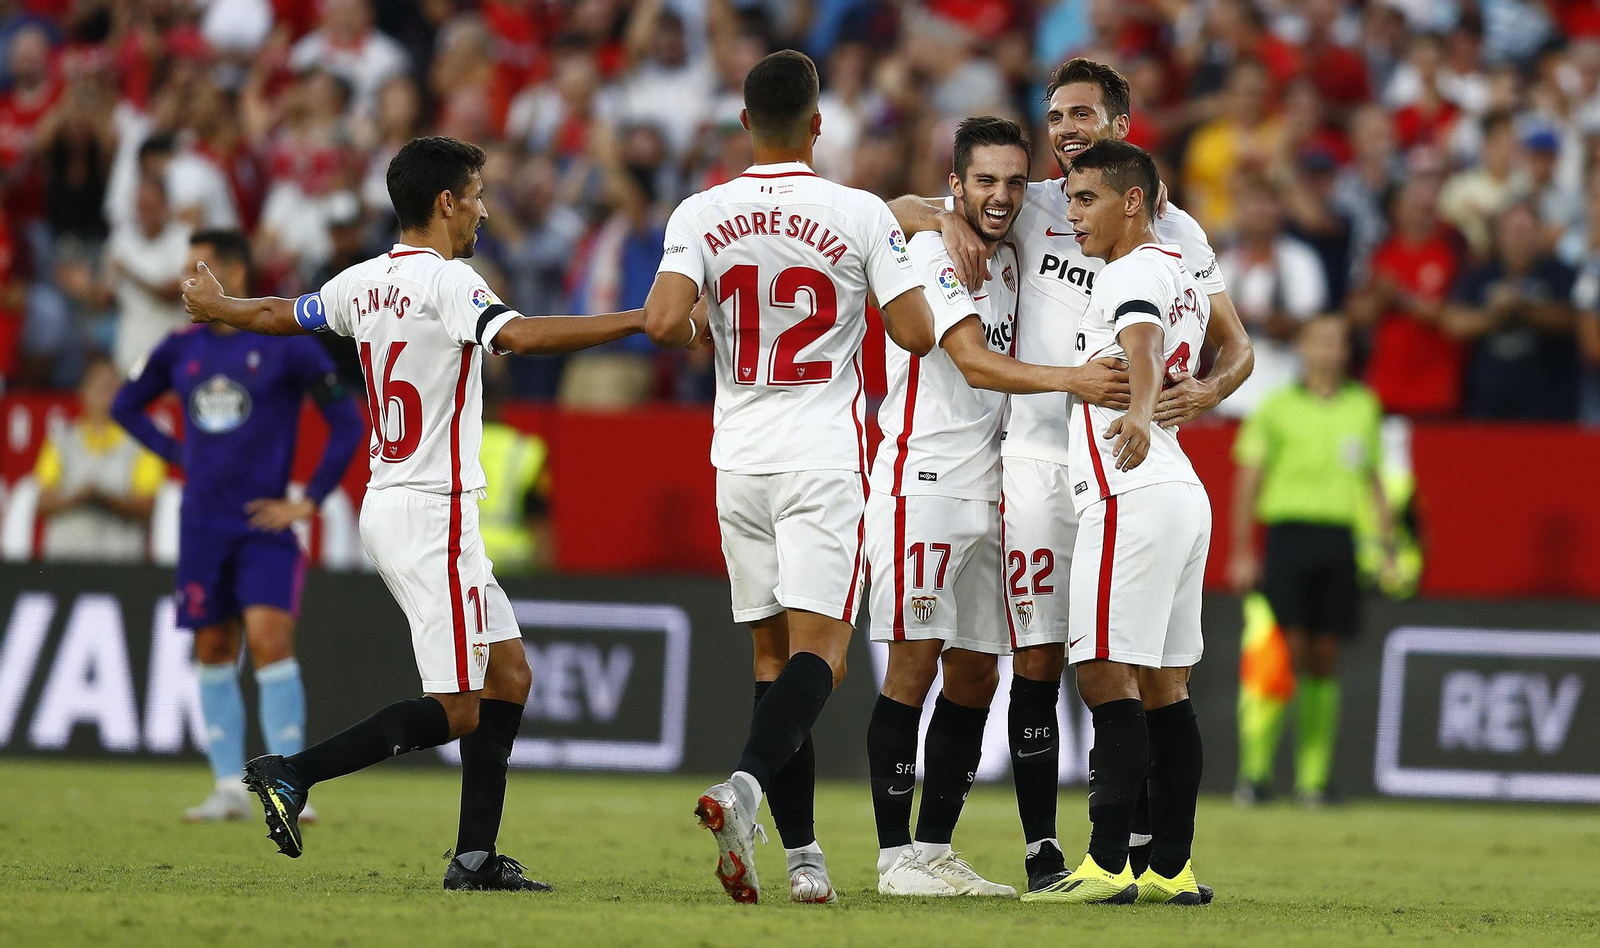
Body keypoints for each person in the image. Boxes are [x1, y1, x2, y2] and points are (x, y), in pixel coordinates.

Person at [180, 135, 668, 891]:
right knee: (459, 707)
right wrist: (643, 318)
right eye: (475, 195)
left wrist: (220, 307)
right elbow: (524, 336)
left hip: (404, 503)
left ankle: (474, 858)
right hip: (429, 511)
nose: (481, 210)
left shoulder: (363, 282)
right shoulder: (450, 281)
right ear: (446, 203)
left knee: (510, 675)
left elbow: (283, 313)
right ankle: (292, 773)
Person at [888, 57, 1253, 895]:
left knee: (1143, 668)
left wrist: (1206, 390)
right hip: (1040, 461)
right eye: (1056, 115)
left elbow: (1239, 346)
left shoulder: (1172, 230)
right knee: (1046, 657)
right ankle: (1045, 850)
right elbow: (895, 212)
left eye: (1082, 113)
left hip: (1126, 459)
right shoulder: (1033, 201)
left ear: (1121, 123)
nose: (1066, 129)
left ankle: (1145, 850)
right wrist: (943, 224)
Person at [641, 49, 936, 905]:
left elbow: (663, 321)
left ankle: (804, 861)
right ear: (819, 122)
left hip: (738, 457)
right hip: (822, 457)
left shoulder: (702, 210)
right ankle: (743, 788)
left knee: (772, 662)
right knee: (825, 659)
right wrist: (897, 241)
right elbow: (915, 333)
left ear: (744, 124)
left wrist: (712, 321)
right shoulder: (858, 212)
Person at [865, 115, 1131, 899]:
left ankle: (934, 849)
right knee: (913, 663)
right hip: (926, 477)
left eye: (1015, 182)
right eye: (983, 181)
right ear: (956, 182)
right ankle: (891, 858)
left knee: (976, 672)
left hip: (992, 484)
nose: (1001, 196)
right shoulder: (927, 250)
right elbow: (975, 363)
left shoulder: (1012, 252)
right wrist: (1072, 381)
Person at [112, 230, 365, 823]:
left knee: (271, 637)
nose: (185, 284)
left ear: (234, 273)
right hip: (201, 523)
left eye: (197, 270)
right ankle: (228, 787)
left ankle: (289, 782)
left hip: (263, 523)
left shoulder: (288, 346)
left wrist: (311, 501)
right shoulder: (179, 348)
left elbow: (347, 423)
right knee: (214, 645)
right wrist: (177, 454)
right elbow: (125, 405)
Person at [1022, 139, 1212, 906]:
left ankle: (1104, 865)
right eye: (1068, 200)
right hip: (1179, 491)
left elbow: (1140, 335)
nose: (1073, 216)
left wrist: (1134, 407)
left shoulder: (1132, 271)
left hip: (1129, 485)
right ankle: (1171, 866)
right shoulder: (1183, 272)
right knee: (1166, 685)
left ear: (1134, 201)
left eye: (1087, 199)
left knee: (1103, 669)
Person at [1229, 315, 1396, 805]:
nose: (1328, 349)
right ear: (1301, 346)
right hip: (1288, 536)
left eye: (1337, 340)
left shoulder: (1363, 407)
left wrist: (1386, 548)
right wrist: (1242, 550)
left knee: (1325, 658)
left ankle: (1313, 780)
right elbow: (1249, 479)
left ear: (1347, 350)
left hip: (1339, 540)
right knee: (1282, 656)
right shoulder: (1276, 407)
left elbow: (1375, 481)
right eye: (1319, 339)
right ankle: (1255, 774)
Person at [34, 356, 165, 562]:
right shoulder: (60, 442)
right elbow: (42, 502)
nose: (109, 395)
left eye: (115, 388)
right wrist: (79, 497)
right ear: (83, 392)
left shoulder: (143, 444)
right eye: (102, 388)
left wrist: (102, 497)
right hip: (63, 564)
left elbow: (147, 506)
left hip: (119, 566)